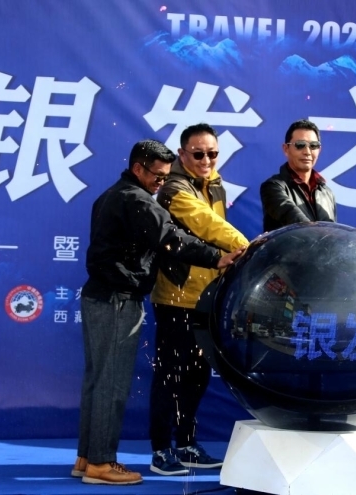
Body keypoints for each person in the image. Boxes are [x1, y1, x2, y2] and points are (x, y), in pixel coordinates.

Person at [73, 139, 244, 485]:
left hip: (100, 297)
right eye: (157, 176)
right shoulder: (136, 200)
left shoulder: (110, 195)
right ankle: (101, 463)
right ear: (138, 168)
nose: (161, 183)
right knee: (111, 384)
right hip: (117, 301)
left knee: (97, 381)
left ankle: (87, 458)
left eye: (166, 177)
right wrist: (217, 257)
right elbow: (172, 237)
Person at [148, 124, 249, 474]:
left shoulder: (215, 184)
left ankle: (187, 444)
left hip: (208, 298)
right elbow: (207, 225)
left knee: (197, 377)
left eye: (213, 153)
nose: (207, 160)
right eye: (198, 154)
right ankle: (161, 450)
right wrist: (248, 246)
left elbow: (214, 231)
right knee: (170, 376)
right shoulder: (173, 188)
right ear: (182, 154)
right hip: (175, 297)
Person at [260, 119, 336, 231]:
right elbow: (294, 220)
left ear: (319, 150)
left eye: (313, 145)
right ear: (286, 149)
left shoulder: (327, 193)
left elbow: (333, 233)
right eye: (300, 145)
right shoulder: (273, 187)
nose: (307, 152)